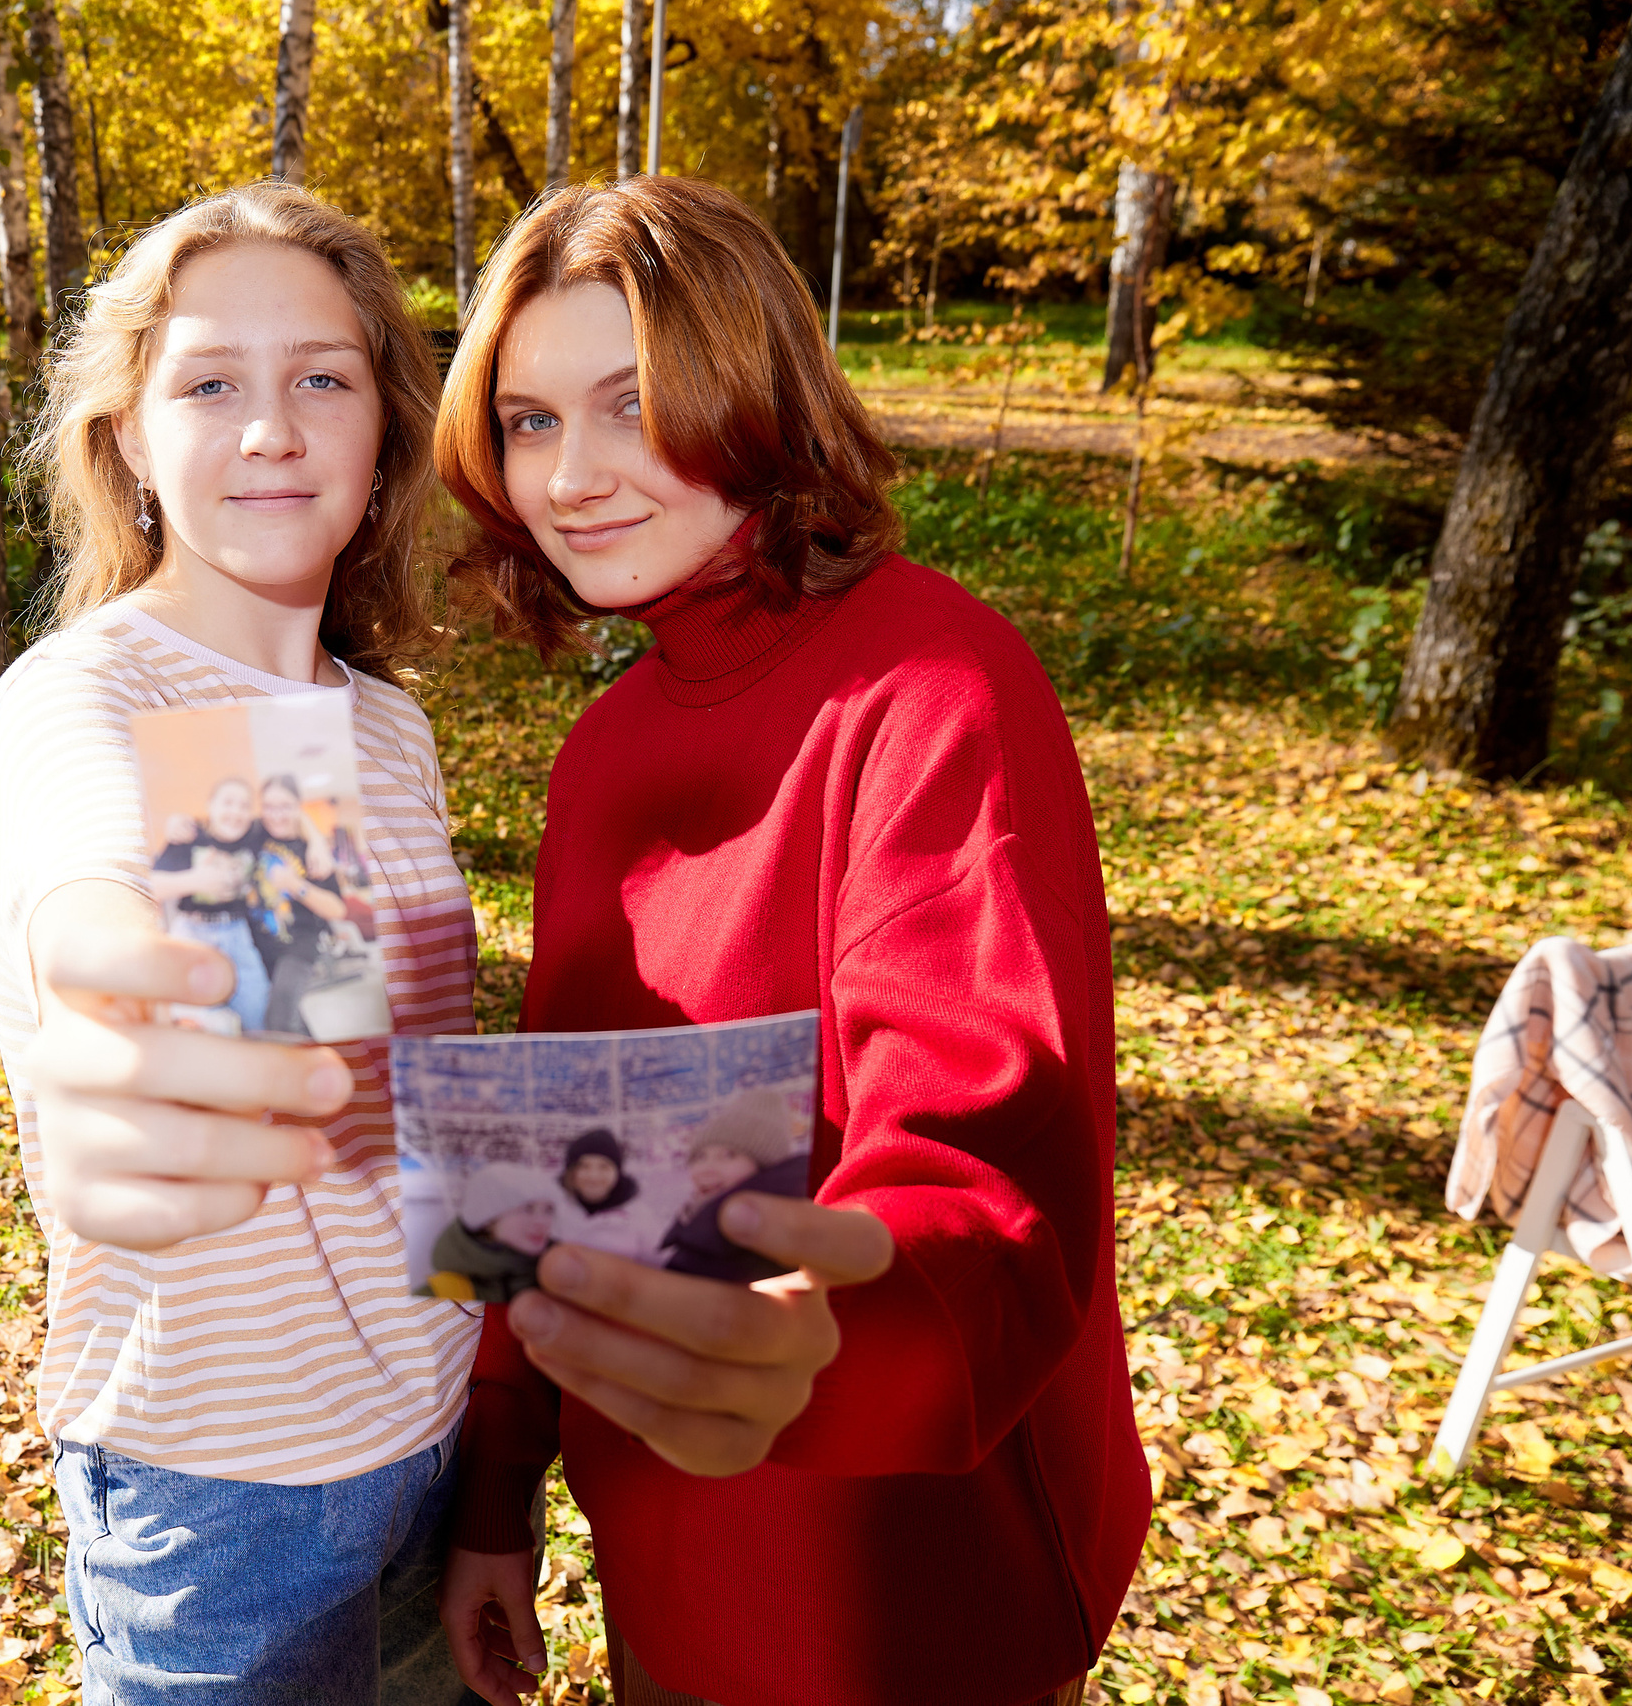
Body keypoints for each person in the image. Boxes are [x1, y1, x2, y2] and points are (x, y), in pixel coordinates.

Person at [430, 177, 1149, 1706]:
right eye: (531, 421)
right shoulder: (606, 750)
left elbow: (994, 1167)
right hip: (665, 1545)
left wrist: (838, 1339)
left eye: (633, 404)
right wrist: (499, 1486)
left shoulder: (936, 682)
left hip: (906, 1577)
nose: (572, 475)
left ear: (755, 390)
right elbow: (562, 1150)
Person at [0, 181, 480, 1705]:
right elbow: (96, 902)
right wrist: (109, 1011)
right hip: (229, 1499)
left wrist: (502, 1447)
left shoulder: (383, 725)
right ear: (127, 438)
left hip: (432, 1439)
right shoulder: (95, 695)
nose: (272, 427)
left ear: (383, 431)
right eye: (211, 382)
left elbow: (380, 1101)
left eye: (323, 377)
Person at [149, 777, 273, 1033]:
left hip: (237, 933)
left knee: (258, 1011)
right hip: (192, 932)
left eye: (244, 806)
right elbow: (152, 887)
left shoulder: (256, 834)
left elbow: (293, 816)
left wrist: (316, 844)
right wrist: (195, 880)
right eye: (228, 803)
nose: (236, 812)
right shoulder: (189, 836)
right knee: (199, 1020)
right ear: (211, 806)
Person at [655, 1087, 808, 1283]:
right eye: (700, 1157)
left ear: (764, 1165)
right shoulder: (698, 1223)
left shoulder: (764, 1236)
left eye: (729, 1155)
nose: (706, 1168)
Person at [251, 773, 355, 1033]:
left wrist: (296, 885)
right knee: (289, 1018)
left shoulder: (311, 851)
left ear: (298, 806)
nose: (276, 815)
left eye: (285, 806)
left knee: (279, 1019)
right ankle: (320, 1066)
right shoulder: (255, 833)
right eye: (269, 807)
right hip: (259, 945)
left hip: (299, 946)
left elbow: (338, 910)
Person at [425, 1164, 561, 1303]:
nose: (542, 1221)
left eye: (548, 1210)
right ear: (488, 1220)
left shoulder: (563, 1281)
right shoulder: (436, 1296)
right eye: (528, 1208)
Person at [548, 1130, 657, 1264]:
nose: (593, 1176)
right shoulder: (552, 1210)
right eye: (584, 1166)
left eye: (604, 1167)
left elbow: (659, 1267)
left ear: (617, 1171)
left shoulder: (638, 1216)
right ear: (571, 1171)